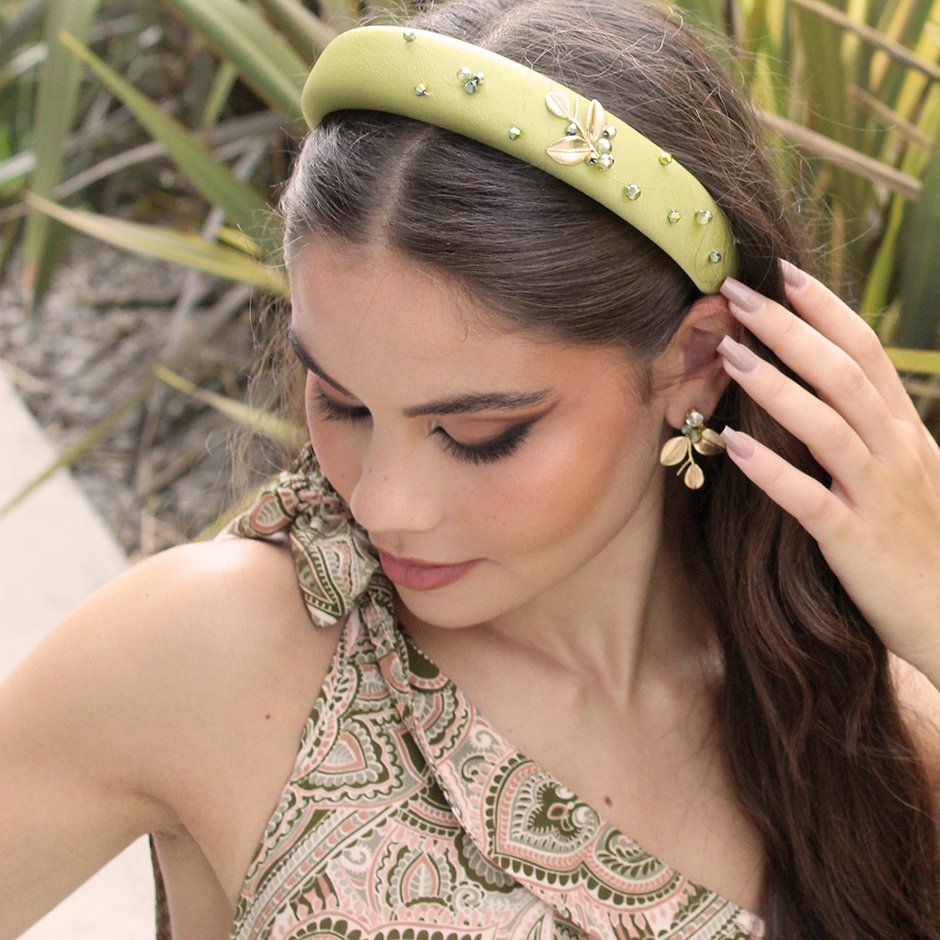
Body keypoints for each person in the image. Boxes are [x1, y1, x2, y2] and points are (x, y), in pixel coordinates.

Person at [2, 0, 939, 936]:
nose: (382, 504)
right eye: (342, 402)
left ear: (694, 363)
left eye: (477, 432)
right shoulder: (212, 654)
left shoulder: (863, 727)